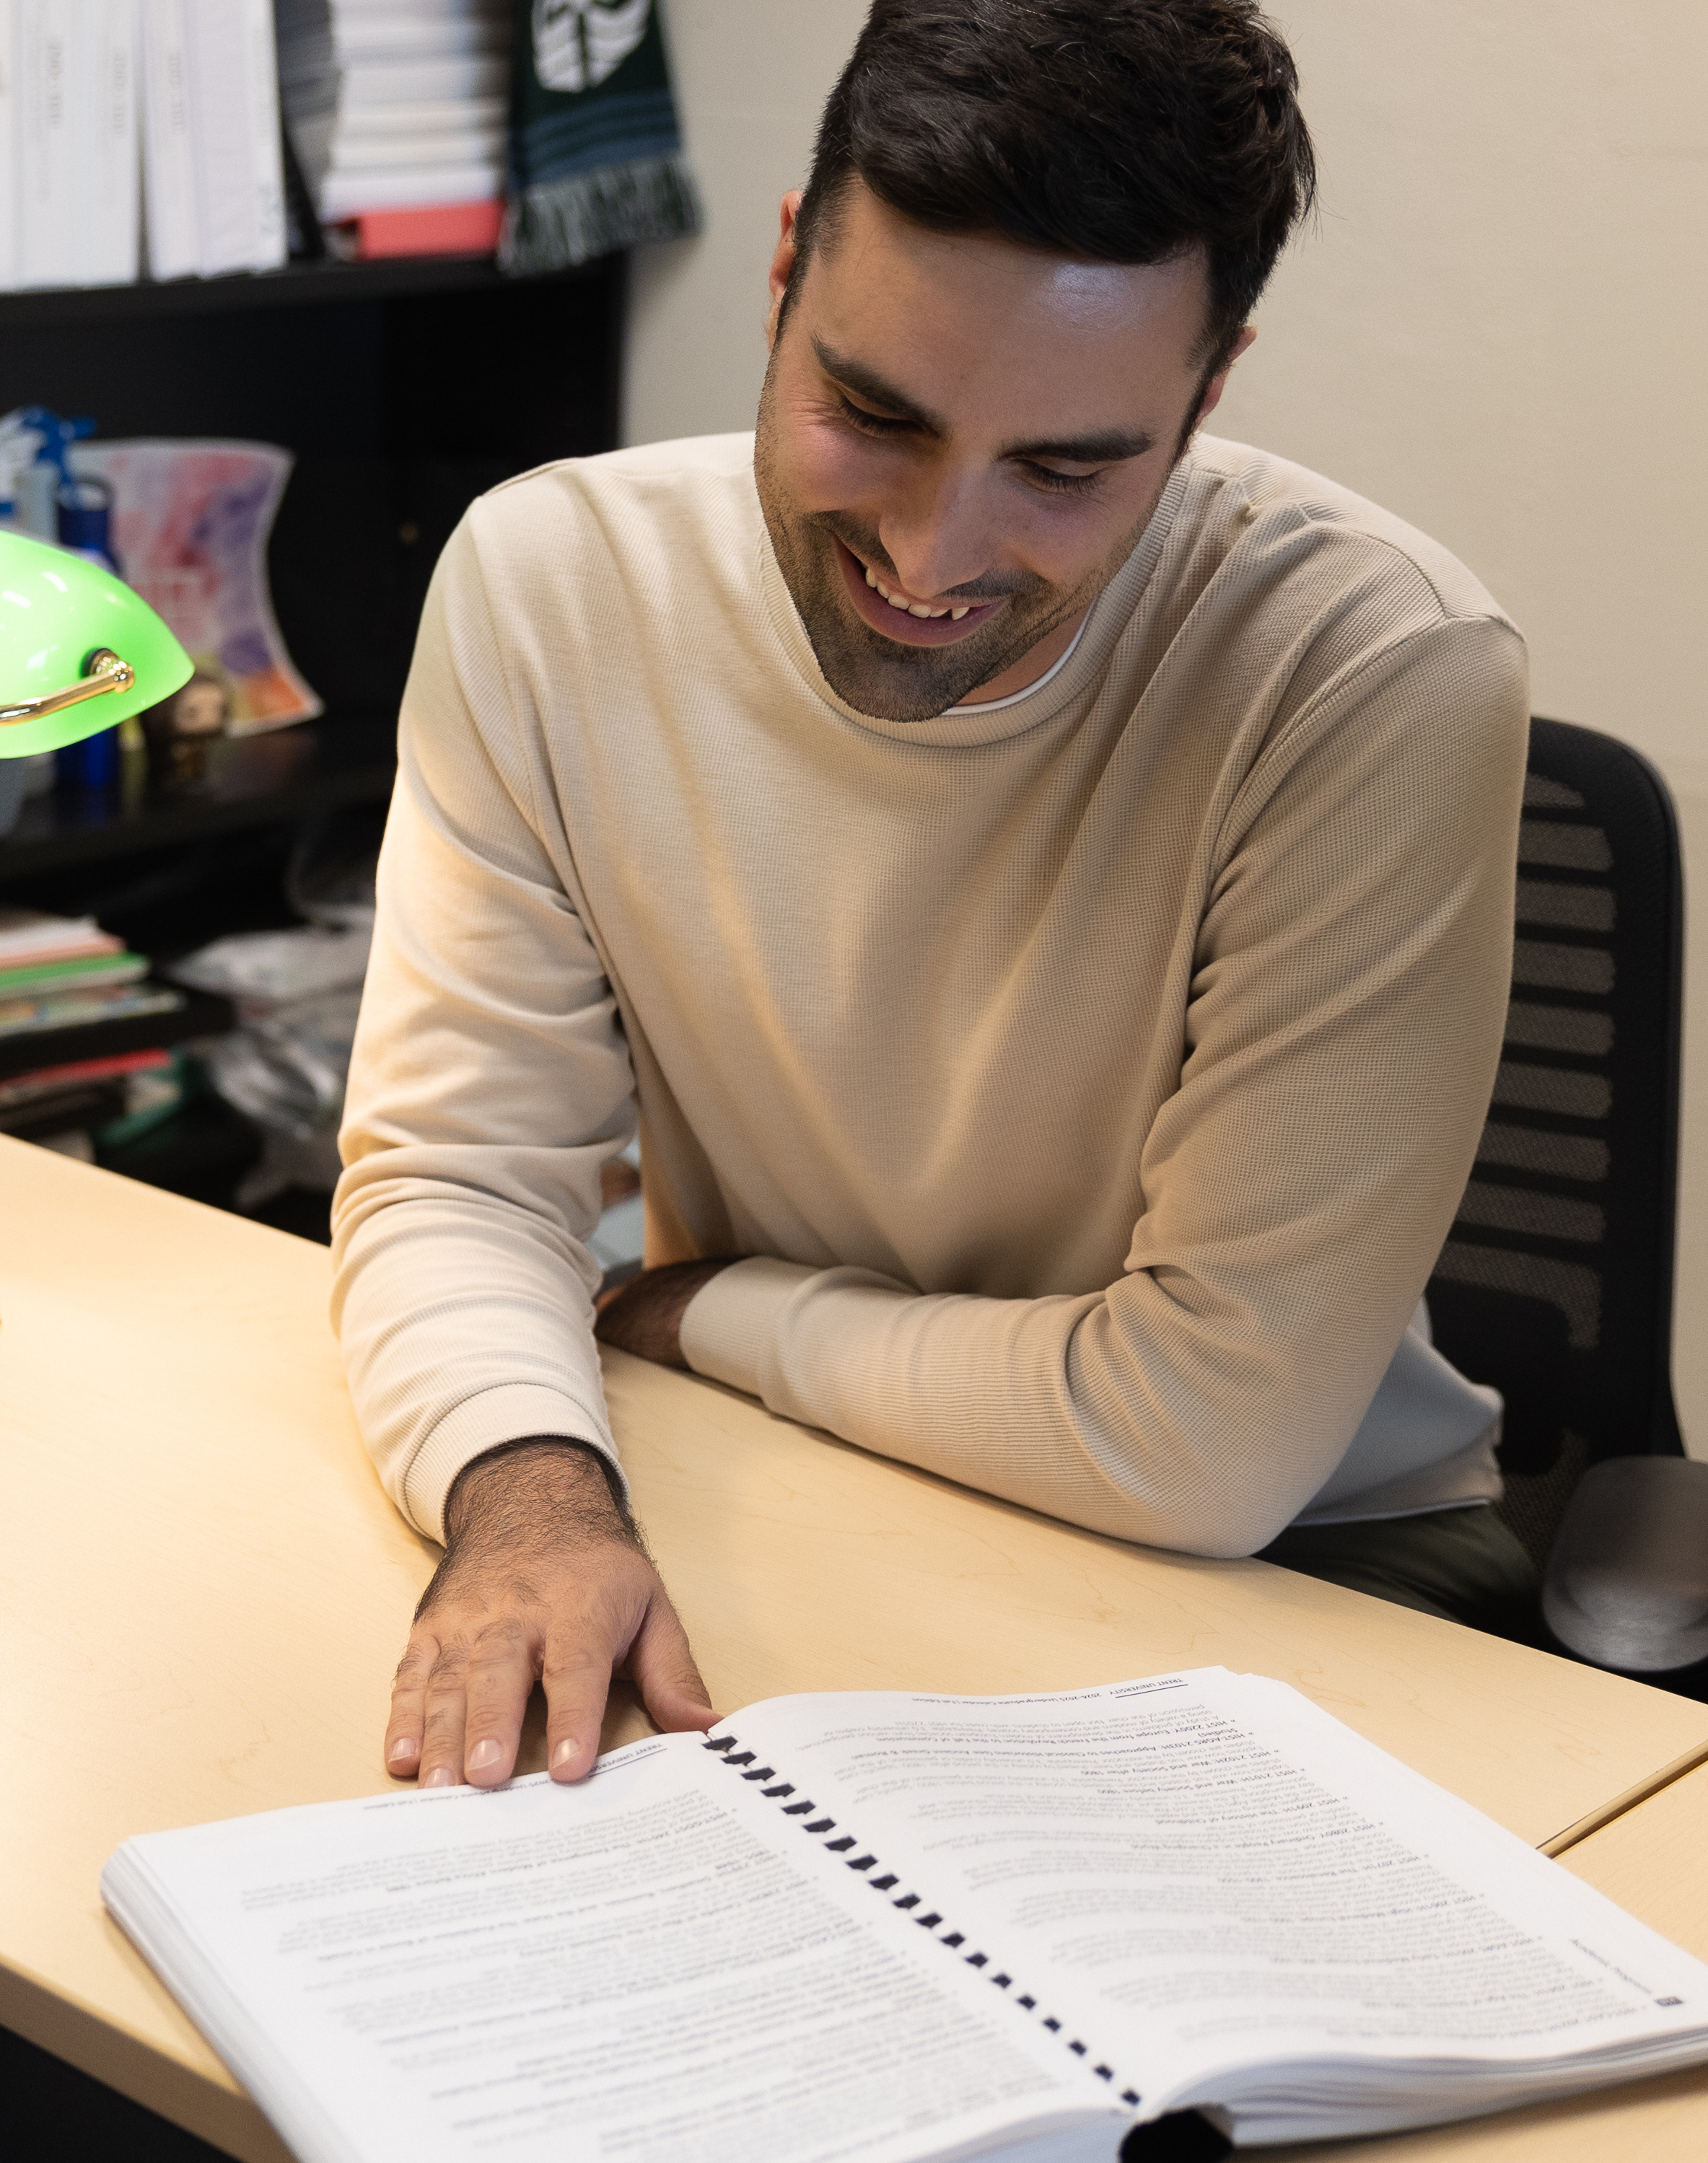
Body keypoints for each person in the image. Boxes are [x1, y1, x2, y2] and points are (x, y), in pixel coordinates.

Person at [338, 0, 1536, 1796]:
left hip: (1310, 1567)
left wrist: (704, 1305)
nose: (929, 551)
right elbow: (449, 1172)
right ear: (779, 275)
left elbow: (1202, 1440)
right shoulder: (546, 584)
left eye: (1064, 467)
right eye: (869, 412)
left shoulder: (1371, 672)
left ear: (1205, 397)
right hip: (793, 1477)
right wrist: (524, 1493)